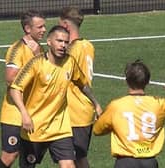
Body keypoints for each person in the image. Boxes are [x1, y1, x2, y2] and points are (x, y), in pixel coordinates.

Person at [9, 25, 102, 168]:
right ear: (49, 42)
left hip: (60, 128)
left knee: (69, 165)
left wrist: (96, 103)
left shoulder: (70, 62)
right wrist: (24, 113)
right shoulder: (36, 63)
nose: (63, 45)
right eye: (59, 41)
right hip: (34, 128)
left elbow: (82, 84)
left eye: (65, 42)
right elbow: (15, 89)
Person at [93, 60, 165, 168]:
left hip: (125, 162)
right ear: (147, 81)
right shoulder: (159, 105)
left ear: (127, 80)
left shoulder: (116, 106)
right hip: (150, 163)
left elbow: (97, 130)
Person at [0, 10, 46, 168]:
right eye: (39, 27)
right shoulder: (17, 49)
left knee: (30, 158)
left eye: (44, 26)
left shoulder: (39, 49)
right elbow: (10, 78)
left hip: (34, 111)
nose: (44, 30)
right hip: (14, 113)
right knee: (10, 155)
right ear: (27, 28)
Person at [59, 7, 98, 168]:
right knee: (78, 158)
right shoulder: (87, 45)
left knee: (74, 159)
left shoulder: (71, 51)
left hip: (75, 112)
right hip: (84, 110)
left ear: (66, 26)